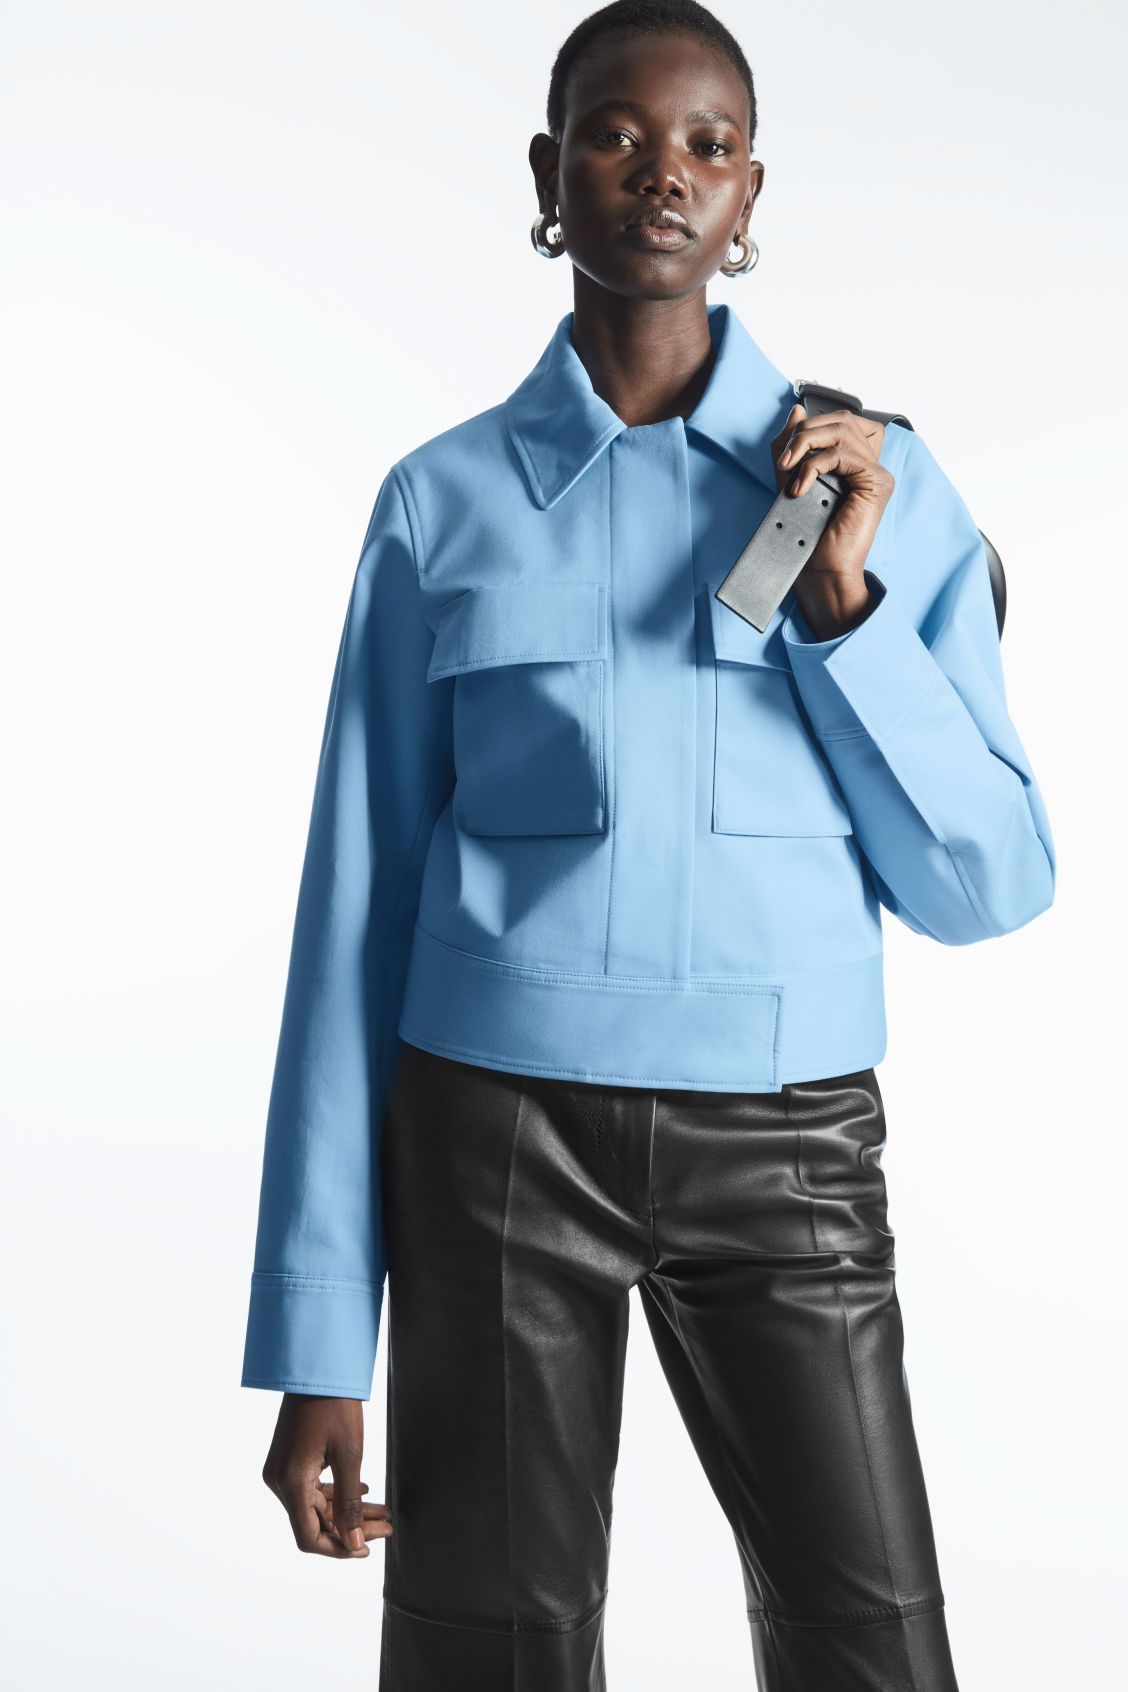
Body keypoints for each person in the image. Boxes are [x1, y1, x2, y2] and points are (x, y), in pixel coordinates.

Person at [241, 3, 1056, 1686]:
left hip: (790, 1141)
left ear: (752, 192)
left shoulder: (876, 489)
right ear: (550, 175)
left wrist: (846, 615)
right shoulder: (440, 502)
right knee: (494, 1650)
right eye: (617, 136)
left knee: (872, 1642)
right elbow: (353, 918)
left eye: (707, 145)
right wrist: (320, 1339)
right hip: (496, 1137)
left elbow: (990, 886)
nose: (664, 174)